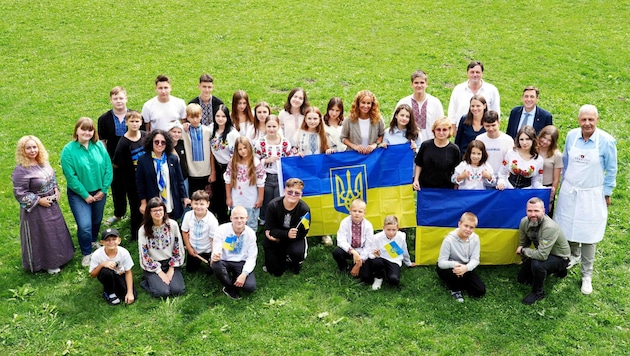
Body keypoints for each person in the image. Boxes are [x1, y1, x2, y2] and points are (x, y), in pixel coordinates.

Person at [554, 104, 617, 295]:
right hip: (570, 191)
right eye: (584, 119)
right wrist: (563, 185)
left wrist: (606, 193)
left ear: (597, 120)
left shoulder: (606, 141)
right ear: (578, 120)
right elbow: (565, 162)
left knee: (589, 234)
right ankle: (574, 254)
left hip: (592, 194)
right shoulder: (572, 136)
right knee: (567, 225)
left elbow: (612, 170)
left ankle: (587, 274)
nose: (587, 123)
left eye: (591, 119)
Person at [12, 136, 74, 274]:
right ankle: (48, 264)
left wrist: (56, 189)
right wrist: (39, 201)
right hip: (35, 211)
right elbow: (19, 193)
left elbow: (52, 177)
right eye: (28, 148)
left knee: (55, 231)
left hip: (52, 205)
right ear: (22, 150)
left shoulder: (43, 162)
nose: (32, 150)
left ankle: (62, 257)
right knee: (44, 234)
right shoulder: (21, 170)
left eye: (34, 147)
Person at [61, 117, 113, 267]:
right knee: (84, 225)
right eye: (83, 129)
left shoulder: (99, 146)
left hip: (99, 192)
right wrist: (85, 195)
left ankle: (92, 241)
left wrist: (103, 190)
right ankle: (86, 252)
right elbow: (70, 176)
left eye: (90, 130)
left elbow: (108, 169)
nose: (87, 132)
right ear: (76, 130)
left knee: (96, 220)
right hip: (79, 194)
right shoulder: (68, 151)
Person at [516, 198, 570, 305]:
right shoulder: (524, 222)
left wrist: (523, 250)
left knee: (537, 264)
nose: (533, 214)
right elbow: (523, 243)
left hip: (559, 257)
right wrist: (525, 257)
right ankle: (555, 271)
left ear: (543, 211)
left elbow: (541, 256)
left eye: (536, 211)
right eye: (530, 211)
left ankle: (538, 292)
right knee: (523, 279)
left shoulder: (549, 227)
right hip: (543, 251)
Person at [136, 130, 190, 221]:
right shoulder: (143, 160)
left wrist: (185, 197)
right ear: (151, 142)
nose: (160, 144)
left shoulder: (173, 159)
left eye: (163, 142)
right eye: (156, 142)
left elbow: (180, 180)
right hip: (153, 200)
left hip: (170, 199)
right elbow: (140, 183)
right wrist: (143, 202)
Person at [138, 197, 186, 298]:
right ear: (149, 213)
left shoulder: (172, 225)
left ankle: (158, 281)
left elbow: (178, 246)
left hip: (170, 261)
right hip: (153, 263)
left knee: (178, 290)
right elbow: (144, 254)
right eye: (154, 210)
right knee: (163, 293)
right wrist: (159, 272)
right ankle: (147, 280)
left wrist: (171, 268)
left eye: (160, 210)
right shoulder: (143, 230)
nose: (158, 213)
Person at [264, 178, 311, 276]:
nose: (293, 195)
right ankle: (281, 256)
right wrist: (285, 234)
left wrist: (291, 236)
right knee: (275, 271)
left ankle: (294, 260)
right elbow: (270, 229)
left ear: (301, 195)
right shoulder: (273, 205)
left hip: (294, 238)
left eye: (297, 193)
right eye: (290, 192)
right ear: (284, 191)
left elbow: (303, 232)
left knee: (297, 253)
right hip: (276, 237)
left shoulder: (304, 209)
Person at [112, 110, 147, 240]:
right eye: (131, 121)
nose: (134, 124)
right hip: (132, 181)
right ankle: (136, 234)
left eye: (137, 121)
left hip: (146, 177)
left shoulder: (145, 136)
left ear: (141, 122)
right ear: (126, 123)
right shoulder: (123, 143)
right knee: (136, 207)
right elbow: (117, 164)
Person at [97, 86, 130, 225]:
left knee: (134, 187)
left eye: (121, 98)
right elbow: (102, 141)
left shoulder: (134, 116)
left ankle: (137, 213)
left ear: (126, 99)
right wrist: (107, 160)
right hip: (114, 160)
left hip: (132, 158)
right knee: (117, 188)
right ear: (111, 100)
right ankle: (119, 213)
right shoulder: (104, 119)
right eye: (115, 98)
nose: (119, 101)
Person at [436, 212, 486, 303]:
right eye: (466, 226)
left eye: (471, 227)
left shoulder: (475, 239)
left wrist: (466, 268)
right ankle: (455, 289)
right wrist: (455, 265)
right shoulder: (449, 240)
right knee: (452, 274)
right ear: (459, 224)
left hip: (465, 266)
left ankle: (461, 281)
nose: (468, 229)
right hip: (450, 266)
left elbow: (475, 259)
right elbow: (441, 263)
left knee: (479, 291)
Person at [211, 206, 258, 300]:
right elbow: (217, 246)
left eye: (242, 218)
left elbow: (252, 256)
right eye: (236, 218)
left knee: (250, 287)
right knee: (216, 265)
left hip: (241, 262)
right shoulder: (221, 229)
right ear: (231, 218)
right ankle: (229, 287)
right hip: (224, 260)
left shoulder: (251, 234)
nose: (239, 220)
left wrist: (244, 274)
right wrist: (216, 254)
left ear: (246, 218)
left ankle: (236, 277)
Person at [254, 115, 292, 226]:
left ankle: (276, 219)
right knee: (266, 197)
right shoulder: (260, 143)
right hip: (266, 175)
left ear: (278, 126)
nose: (271, 129)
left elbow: (289, 158)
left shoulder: (285, 143)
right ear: (265, 126)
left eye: (274, 126)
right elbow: (255, 159)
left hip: (280, 176)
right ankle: (264, 218)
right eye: (269, 126)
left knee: (278, 198)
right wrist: (266, 161)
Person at [224, 137, 266, 231]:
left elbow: (261, 182)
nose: (243, 151)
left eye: (245, 148)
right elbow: (227, 180)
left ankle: (250, 243)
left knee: (251, 223)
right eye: (240, 149)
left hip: (251, 199)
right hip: (237, 198)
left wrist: (260, 198)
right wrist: (229, 197)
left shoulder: (255, 162)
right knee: (236, 223)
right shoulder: (233, 162)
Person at [448, 61, 500, 133]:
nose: (475, 75)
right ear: (467, 73)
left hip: (485, 130)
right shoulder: (458, 90)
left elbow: (496, 112)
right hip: (463, 129)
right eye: (472, 72)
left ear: (482, 73)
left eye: (477, 72)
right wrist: (454, 131)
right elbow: (452, 112)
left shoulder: (491, 90)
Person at [366, 215, 415, 290]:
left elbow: (404, 251)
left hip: (394, 260)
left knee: (394, 280)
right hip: (380, 259)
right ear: (383, 228)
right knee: (375, 264)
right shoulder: (376, 237)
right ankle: (378, 277)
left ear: (397, 228)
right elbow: (370, 252)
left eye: (394, 230)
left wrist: (408, 263)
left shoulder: (401, 237)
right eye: (388, 230)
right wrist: (374, 255)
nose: (391, 233)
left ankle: (387, 273)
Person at [89, 228, 136, 305]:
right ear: (102, 242)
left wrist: (130, 292)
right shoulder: (97, 254)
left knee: (127, 295)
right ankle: (109, 292)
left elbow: (128, 272)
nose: (111, 242)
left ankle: (117, 289)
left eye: (114, 239)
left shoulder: (124, 252)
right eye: (107, 240)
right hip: (106, 274)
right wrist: (102, 264)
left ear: (119, 240)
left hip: (120, 274)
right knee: (106, 271)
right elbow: (92, 274)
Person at [395, 70, 445, 143]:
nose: (419, 85)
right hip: (408, 143)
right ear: (411, 84)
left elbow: (441, 124)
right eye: (416, 83)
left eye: (422, 82)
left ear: (426, 84)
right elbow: (395, 124)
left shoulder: (435, 103)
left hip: (431, 143)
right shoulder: (403, 102)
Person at [210, 104, 240, 223]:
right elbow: (211, 152)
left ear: (227, 117)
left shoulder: (232, 134)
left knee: (228, 195)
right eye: (217, 116)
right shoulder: (211, 129)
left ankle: (231, 220)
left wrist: (229, 174)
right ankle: (220, 220)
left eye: (223, 116)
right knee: (217, 196)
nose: (220, 119)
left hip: (230, 168)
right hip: (217, 166)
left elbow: (234, 156)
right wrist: (213, 171)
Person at [412, 117, 460, 190]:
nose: (441, 132)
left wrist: (456, 184)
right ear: (433, 130)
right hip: (426, 187)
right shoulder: (425, 145)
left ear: (449, 130)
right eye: (438, 129)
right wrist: (416, 180)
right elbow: (419, 164)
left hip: (446, 189)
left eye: (444, 130)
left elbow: (457, 170)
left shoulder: (454, 149)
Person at [332, 199, 373, 282]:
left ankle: (357, 266)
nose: (357, 213)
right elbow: (341, 240)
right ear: (350, 211)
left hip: (362, 251)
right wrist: (353, 252)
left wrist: (359, 262)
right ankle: (345, 268)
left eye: (360, 211)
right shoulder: (345, 222)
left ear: (364, 213)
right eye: (354, 211)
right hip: (350, 250)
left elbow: (369, 246)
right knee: (337, 252)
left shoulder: (368, 226)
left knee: (366, 278)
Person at [181, 190, 218, 274]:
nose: (198, 207)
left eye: (202, 204)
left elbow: (213, 240)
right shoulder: (188, 215)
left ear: (208, 204)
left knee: (210, 272)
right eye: (196, 203)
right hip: (193, 248)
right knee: (190, 270)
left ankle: (210, 262)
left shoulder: (212, 220)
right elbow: (184, 232)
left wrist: (213, 256)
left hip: (207, 250)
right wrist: (189, 248)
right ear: (191, 203)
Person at [182, 103, 215, 196]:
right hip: (192, 172)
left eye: (197, 117)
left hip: (206, 170)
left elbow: (212, 152)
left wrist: (213, 171)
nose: (195, 120)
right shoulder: (184, 131)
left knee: (207, 196)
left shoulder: (208, 131)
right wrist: (182, 124)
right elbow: (169, 129)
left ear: (201, 116)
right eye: (192, 117)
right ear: (187, 117)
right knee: (194, 197)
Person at [497, 126, 544, 190]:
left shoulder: (539, 160)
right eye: (521, 139)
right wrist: (501, 183)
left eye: (527, 139)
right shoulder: (511, 153)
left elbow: (536, 181)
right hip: (509, 189)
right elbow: (502, 173)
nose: (524, 143)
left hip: (526, 192)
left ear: (533, 140)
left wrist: (544, 189)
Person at [475, 111, 514, 189]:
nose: (491, 129)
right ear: (483, 125)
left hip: (502, 180)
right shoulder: (479, 139)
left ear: (499, 123)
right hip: (484, 179)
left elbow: (511, 160)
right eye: (487, 126)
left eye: (493, 125)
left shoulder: (508, 140)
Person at [341, 90, 386, 154]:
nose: (366, 106)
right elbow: (343, 138)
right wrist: (354, 146)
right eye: (363, 102)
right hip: (353, 154)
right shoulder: (349, 119)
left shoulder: (378, 119)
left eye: (368, 103)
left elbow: (382, 135)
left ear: (372, 104)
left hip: (372, 155)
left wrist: (375, 145)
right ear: (358, 103)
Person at [537, 125, 563, 215]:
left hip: (546, 188)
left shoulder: (557, 155)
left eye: (549, 140)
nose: (545, 141)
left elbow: (556, 179)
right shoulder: (533, 149)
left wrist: (551, 198)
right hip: (532, 185)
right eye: (544, 138)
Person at [167, 120, 189, 195]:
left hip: (183, 177)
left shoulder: (182, 144)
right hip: (171, 179)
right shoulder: (165, 147)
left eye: (179, 132)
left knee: (185, 199)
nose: (176, 134)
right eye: (174, 132)